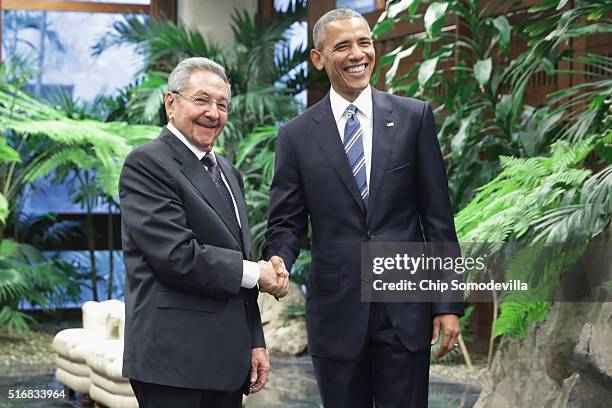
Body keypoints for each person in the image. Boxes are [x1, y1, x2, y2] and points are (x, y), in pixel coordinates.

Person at [263, 9, 463, 408]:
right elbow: (286, 222)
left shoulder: (413, 118)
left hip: (404, 308)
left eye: (365, 42)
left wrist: (447, 303)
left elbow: (438, 219)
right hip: (337, 311)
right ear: (319, 59)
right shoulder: (296, 136)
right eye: (343, 46)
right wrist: (278, 258)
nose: (358, 54)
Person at [119, 57, 289, 408]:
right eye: (201, 100)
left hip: (227, 362)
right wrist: (258, 273)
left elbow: (239, 258)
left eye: (222, 104)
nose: (213, 113)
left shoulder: (228, 171)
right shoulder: (147, 163)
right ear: (171, 103)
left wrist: (255, 341)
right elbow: (177, 256)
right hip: (173, 363)